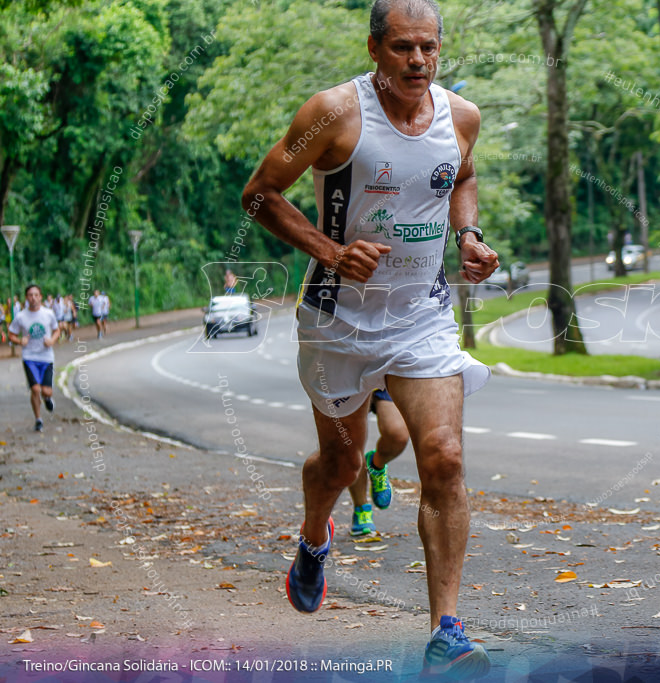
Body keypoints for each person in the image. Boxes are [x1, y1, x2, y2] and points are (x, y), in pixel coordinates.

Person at [242, 0, 498, 676]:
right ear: (374, 49)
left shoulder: (460, 117)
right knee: (342, 464)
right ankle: (314, 535)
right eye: (403, 48)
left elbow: (461, 175)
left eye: (430, 48)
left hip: (421, 317)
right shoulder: (332, 112)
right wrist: (331, 252)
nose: (418, 61)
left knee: (441, 455)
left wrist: (467, 235)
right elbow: (260, 193)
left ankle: (446, 628)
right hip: (337, 321)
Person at [347, 390, 410, 537]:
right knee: (349, 444)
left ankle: (376, 466)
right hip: (351, 377)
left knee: (397, 435)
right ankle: (361, 509)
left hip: (384, 375)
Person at [8, 284, 60, 432]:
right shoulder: (21, 317)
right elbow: (11, 334)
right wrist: (19, 341)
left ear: (41, 297)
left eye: (36, 295)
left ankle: (48, 399)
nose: (33, 298)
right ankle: (38, 419)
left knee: (46, 391)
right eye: (30, 295)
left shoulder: (48, 314)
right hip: (29, 357)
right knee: (35, 389)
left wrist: (52, 340)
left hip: (46, 356)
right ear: (26, 298)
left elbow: (57, 330)